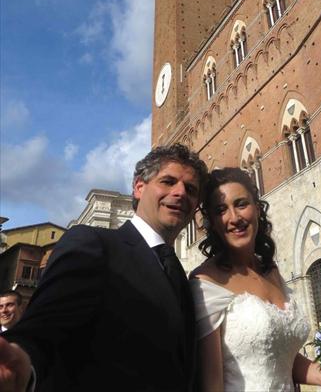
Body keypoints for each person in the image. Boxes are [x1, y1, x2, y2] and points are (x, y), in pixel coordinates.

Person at [0, 143, 208, 392]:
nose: (180, 192)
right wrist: (22, 363)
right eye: (168, 181)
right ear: (139, 187)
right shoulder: (92, 244)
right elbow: (45, 325)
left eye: (191, 189)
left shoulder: (181, 277)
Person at [190, 167, 321, 392]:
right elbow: (211, 385)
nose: (234, 218)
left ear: (257, 208)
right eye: (221, 210)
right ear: (212, 222)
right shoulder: (207, 282)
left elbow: (277, 354)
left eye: (241, 204)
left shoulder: (271, 271)